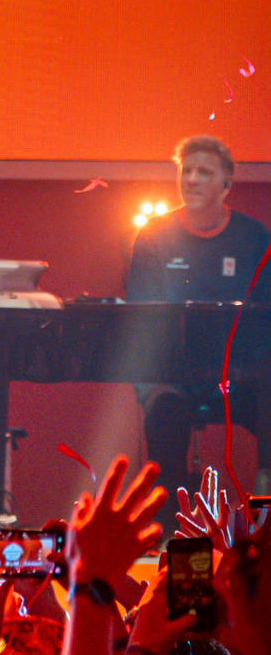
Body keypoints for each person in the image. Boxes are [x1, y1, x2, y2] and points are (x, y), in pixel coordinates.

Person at [126, 134, 271, 499]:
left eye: (204, 172)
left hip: (245, 377)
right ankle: (168, 520)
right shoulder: (154, 235)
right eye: (186, 171)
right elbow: (142, 317)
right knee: (164, 416)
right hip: (173, 376)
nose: (191, 179)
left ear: (226, 185)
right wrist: (152, 385)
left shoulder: (254, 237)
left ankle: (265, 500)